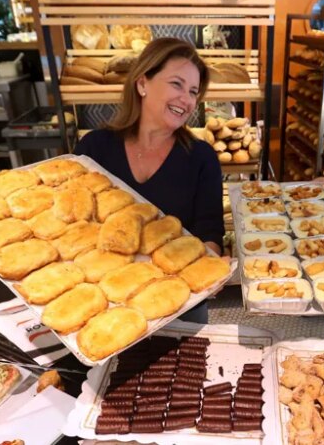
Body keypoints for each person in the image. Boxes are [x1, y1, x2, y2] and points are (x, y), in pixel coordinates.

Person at [74, 38, 224, 323]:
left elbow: (210, 229)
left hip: (177, 302)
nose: (187, 99)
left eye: (193, 92)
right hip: (104, 302)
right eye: (177, 84)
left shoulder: (201, 157)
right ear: (143, 83)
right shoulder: (94, 148)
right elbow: (75, 224)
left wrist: (210, 264)